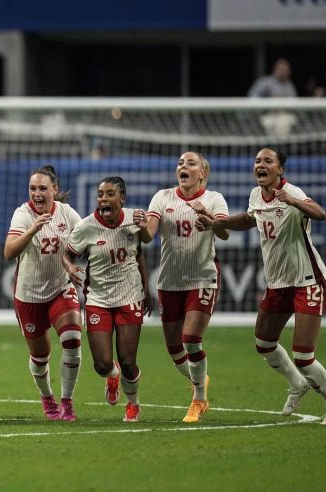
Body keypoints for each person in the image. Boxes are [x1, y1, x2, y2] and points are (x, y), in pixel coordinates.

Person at [196, 148, 326, 424]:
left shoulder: (292, 192)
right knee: (264, 343)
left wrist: (293, 200)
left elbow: (319, 213)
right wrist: (215, 223)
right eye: (257, 161)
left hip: (307, 281)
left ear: (280, 169)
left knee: (303, 354)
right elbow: (248, 219)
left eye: (268, 161)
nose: (261, 165)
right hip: (278, 283)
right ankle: (297, 384)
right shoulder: (256, 195)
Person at [140, 152, 229, 423]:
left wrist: (211, 221)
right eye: (180, 163)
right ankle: (200, 379)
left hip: (202, 277)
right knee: (174, 349)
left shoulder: (213, 199)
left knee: (190, 339)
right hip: (170, 281)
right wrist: (138, 225)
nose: (183, 166)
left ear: (202, 173)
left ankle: (199, 399)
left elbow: (224, 233)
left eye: (191, 163)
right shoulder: (162, 197)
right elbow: (148, 236)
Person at [65, 177, 151, 422]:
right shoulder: (86, 226)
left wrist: (146, 288)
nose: (103, 198)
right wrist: (70, 268)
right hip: (98, 300)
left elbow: (142, 247)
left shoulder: (135, 219)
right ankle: (112, 377)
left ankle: (133, 404)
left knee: (128, 361)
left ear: (121, 198)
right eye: (100, 194)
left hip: (129, 296)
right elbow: (67, 255)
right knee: (102, 364)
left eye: (110, 194)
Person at [4, 165, 83, 421]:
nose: (37, 194)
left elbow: (88, 238)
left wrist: (73, 265)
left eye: (43, 189)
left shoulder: (67, 213)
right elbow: (8, 252)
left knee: (71, 339)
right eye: (33, 188)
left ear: (54, 190)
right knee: (40, 357)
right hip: (28, 296)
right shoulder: (22, 215)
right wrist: (33, 229)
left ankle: (67, 402)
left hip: (60, 288)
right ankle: (47, 398)